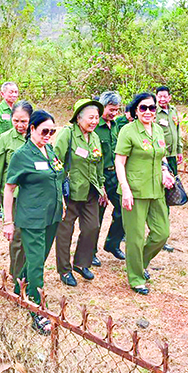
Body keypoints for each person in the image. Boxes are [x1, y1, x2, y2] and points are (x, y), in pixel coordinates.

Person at [2, 110, 64, 335]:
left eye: (52, 131)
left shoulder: (49, 150)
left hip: (52, 216)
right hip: (32, 218)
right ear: (32, 130)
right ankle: (38, 311)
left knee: (38, 260)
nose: (48, 135)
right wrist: (8, 221)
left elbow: (57, 178)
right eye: (44, 131)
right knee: (37, 264)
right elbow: (9, 189)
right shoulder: (22, 155)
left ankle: (21, 290)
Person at [115, 92, 175, 295]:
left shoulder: (158, 130)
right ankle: (136, 278)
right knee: (135, 236)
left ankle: (140, 262)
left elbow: (162, 157)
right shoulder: (128, 131)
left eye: (152, 107)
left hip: (156, 189)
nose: (148, 111)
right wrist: (125, 189)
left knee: (161, 233)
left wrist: (166, 172)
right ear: (136, 110)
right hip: (134, 190)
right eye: (143, 108)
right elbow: (119, 162)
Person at [54, 99, 107, 286]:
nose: (94, 121)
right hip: (70, 192)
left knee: (93, 227)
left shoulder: (94, 137)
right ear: (78, 118)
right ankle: (65, 270)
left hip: (91, 191)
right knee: (65, 232)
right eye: (91, 118)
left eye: (97, 118)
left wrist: (102, 187)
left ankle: (81, 263)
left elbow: (99, 164)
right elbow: (56, 162)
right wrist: (58, 191)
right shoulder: (67, 135)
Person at [0, 100, 33, 279]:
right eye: (16, 121)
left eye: (24, 121)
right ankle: (16, 276)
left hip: (33, 195)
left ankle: (30, 272)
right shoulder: (5, 138)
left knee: (31, 236)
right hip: (13, 195)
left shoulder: (36, 136)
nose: (20, 125)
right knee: (17, 237)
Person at [94, 91, 126, 261]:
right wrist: (99, 185)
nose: (114, 113)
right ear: (102, 107)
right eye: (111, 109)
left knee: (123, 210)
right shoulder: (94, 127)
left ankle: (113, 244)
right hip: (99, 176)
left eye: (116, 110)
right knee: (96, 217)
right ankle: (90, 252)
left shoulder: (115, 126)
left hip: (115, 174)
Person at [155, 86, 183, 175]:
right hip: (161, 155)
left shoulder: (173, 110)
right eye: (160, 96)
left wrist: (179, 150)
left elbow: (177, 130)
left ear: (169, 97)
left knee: (174, 180)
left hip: (172, 154)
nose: (162, 99)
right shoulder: (153, 112)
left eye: (165, 96)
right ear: (156, 97)